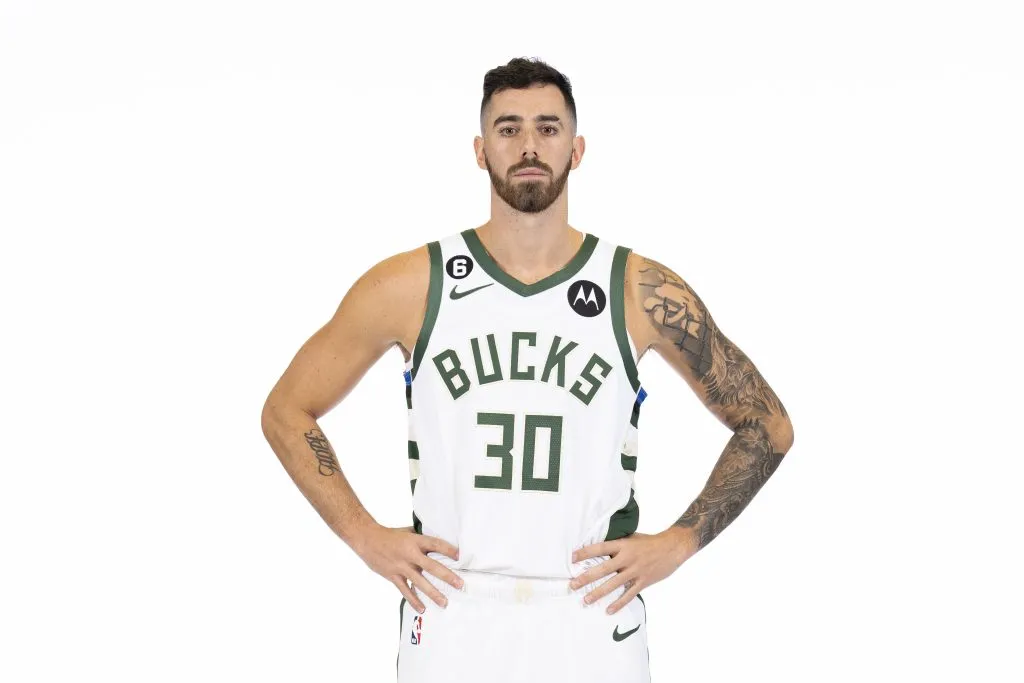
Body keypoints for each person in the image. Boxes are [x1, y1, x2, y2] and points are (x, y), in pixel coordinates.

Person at [260, 57, 794, 683]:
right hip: (451, 605)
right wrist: (362, 534)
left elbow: (766, 424)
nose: (530, 145)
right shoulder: (410, 283)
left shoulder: (637, 289)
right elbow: (286, 411)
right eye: (508, 129)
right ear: (481, 150)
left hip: (592, 610)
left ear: (578, 146)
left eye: (548, 126)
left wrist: (679, 541)